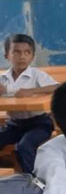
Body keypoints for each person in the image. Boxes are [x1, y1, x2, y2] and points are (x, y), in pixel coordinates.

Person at [0, 34, 58, 173]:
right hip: (13, 124)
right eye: (16, 52)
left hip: (38, 124)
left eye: (27, 52)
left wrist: (32, 91)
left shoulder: (37, 75)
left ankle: (33, 180)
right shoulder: (3, 78)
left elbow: (57, 87)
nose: (22, 56)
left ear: (32, 56)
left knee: (24, 146)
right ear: (7, 55)